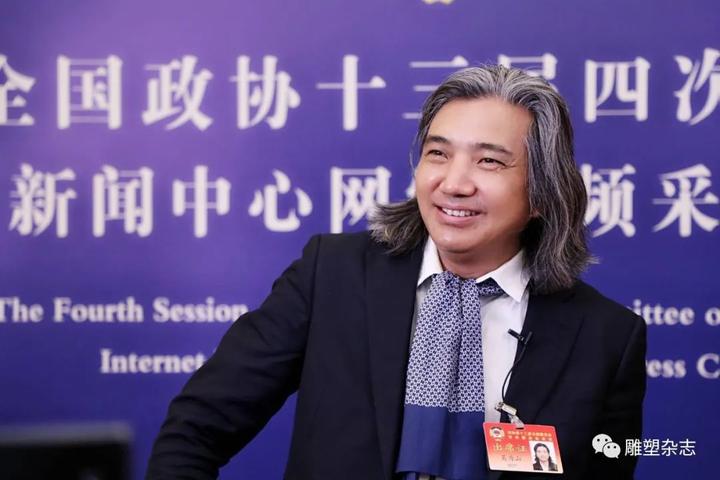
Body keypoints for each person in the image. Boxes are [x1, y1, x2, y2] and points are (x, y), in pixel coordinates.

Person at [146, 65, 646, 480]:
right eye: (438, 153)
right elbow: (196, 429)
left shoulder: (605, 337)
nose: (454, 183)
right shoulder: (332, 276)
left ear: (542, 192)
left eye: (490, 162)